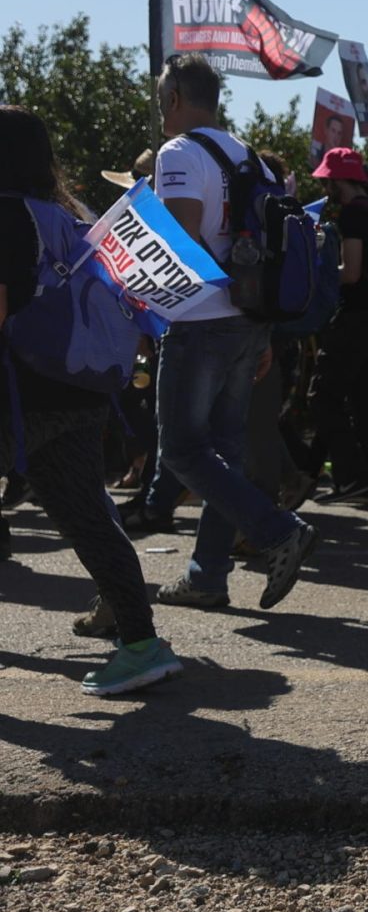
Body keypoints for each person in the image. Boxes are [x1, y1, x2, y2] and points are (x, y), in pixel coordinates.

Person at [0, 107, 180, 695]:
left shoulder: (4, 214)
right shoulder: (67, 215)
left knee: (86, 517)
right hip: (78, 386)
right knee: (89, 520)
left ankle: (141, 644)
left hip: (19, 396)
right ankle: (141, 643)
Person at [144, 54, 319, 614]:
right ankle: (206, 576)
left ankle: (275, 530)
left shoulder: (179, 152)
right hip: (248, 319)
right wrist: (263, 334)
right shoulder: (250, 157)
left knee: (180, 450)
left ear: (174, 99)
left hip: (200, 320)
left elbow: (179, 241)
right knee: (223, 451)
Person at [304, 146, 368, 505]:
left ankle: (352, 477)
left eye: (328, 180)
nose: (326, 188)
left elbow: (352, 272)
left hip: (355, 314)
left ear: (338, 180)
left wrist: (318, 277)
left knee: (322, 395)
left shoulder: (353, 215)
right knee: (367, 402)